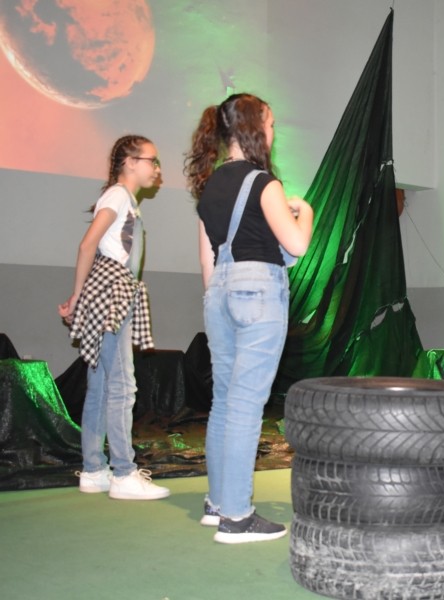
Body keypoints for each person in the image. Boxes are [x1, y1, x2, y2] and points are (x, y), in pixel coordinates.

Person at [185, 93, 313, 543]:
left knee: (224, 401)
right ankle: (237, 518)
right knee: (245, 405)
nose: (274, 132)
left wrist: (222, 296)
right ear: (254, 128)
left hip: (218, 293)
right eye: (271, 124)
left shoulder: (209, 188)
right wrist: (306, 213)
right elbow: (296, 245)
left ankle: (218, 503)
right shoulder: (264, 183)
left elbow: (207, 262)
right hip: (258, 291)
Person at [59, 134, 171, 501]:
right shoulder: (118, 196)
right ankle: (123, 473)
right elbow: (87, 244)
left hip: (111, 290)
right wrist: (77, 296)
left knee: (102, 384)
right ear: (129, 162)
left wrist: (80, 296)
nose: (157, 168)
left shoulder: (122, 199)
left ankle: (94, 469)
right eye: (151, 160)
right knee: (122, 384)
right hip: (112, 292)